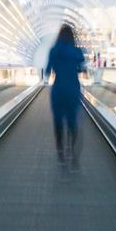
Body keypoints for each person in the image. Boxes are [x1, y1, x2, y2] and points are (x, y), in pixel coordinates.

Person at [42, 22, 87, 164]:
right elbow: (81, 69)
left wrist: (50, 73)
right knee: (72, 120)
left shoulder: (54, 50)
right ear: (72, 36)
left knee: (58, 121)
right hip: (73, 89)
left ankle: (60, 150)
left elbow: (47, 71)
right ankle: (71, 149)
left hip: (58, 89)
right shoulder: (77, 51)